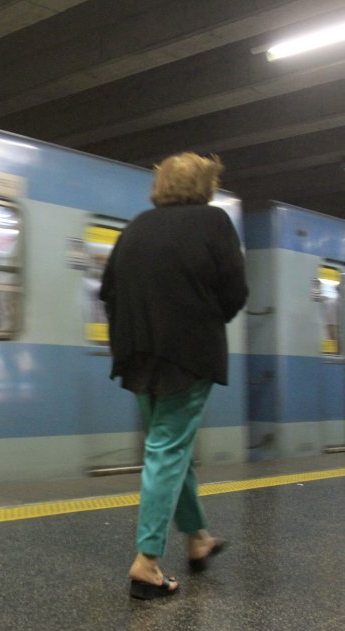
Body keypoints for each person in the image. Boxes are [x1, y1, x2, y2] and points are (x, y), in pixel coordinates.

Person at [98, 152, 247, 600]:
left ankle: (198, 538)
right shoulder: (214, 222)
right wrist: (202, 319)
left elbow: (108, 290)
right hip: (188, 353)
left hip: (137, 353)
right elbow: (236, 291)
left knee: (169, 444)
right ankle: (146, 562)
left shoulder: (137, 226)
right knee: (167, 447)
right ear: (205, 186)